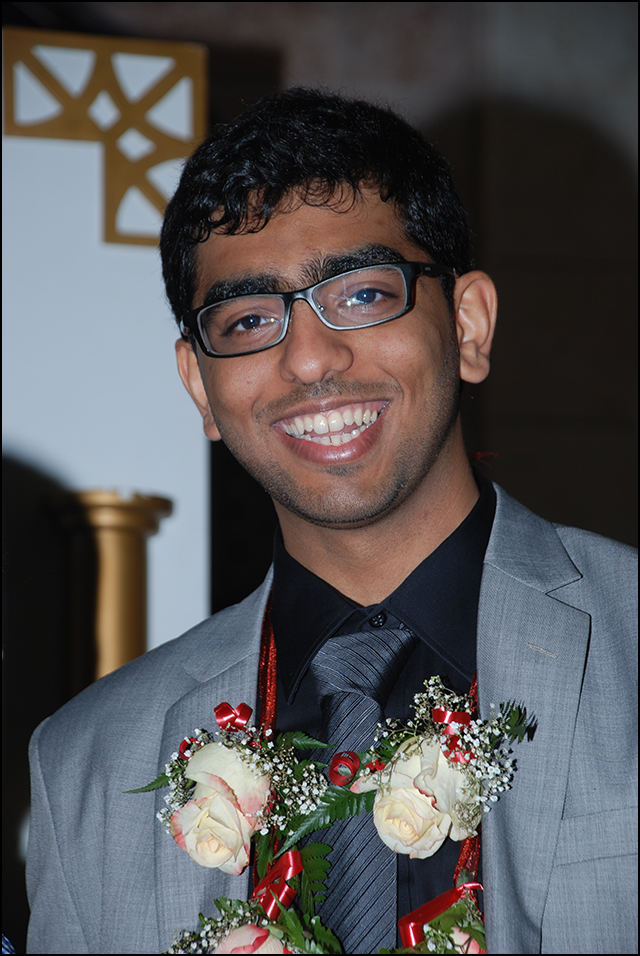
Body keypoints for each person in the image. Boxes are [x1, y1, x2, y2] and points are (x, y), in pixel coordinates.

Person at [26, 88, 637, 955]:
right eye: (249, 319)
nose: (309, 359)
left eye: (361, 295)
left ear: (467, 326)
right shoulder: (87, 766)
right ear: (200, 385)